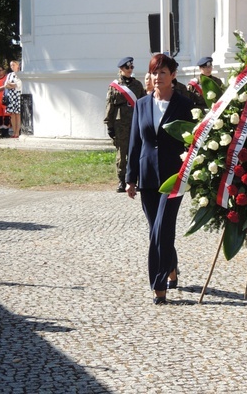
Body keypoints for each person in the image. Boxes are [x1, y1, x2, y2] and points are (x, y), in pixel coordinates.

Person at [126, 54, 194, 305]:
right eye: (154, 72)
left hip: (174, 177)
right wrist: (130, 177)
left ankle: (158, 283)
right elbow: (135, 142)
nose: (157, 77)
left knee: (162, 228)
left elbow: (193, 142)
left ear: (173, 75)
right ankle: (171, 265)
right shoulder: (142, 104)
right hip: (147, 176)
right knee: (156, 228)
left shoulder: (184, 105)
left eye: (163, 72)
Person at [104, 57, 146, 192]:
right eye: (127, 68)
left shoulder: (138, 85)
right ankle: (121, 181)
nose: (130, 70)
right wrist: (109, 125)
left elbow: (143, 103)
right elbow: (109, 105)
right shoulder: (114, 86)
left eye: (131, 67)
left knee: (137, 152)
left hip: (135, 122)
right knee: (122, 154)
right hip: (120, 124)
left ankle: (136, 179)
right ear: (121, 69)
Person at [5, 60, 23, 138]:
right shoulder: (9, 75)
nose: (12, 66)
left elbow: (18, 85)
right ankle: (14, 131)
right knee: (12, 114)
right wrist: (11, 85)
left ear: (18, 65)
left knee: (18, 114)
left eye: (13, 65)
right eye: (11, 65)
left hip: (18, 95)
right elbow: (6, 85)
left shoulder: (21, 74)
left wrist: (11, 85)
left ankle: (17, 132)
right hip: (11, 96)